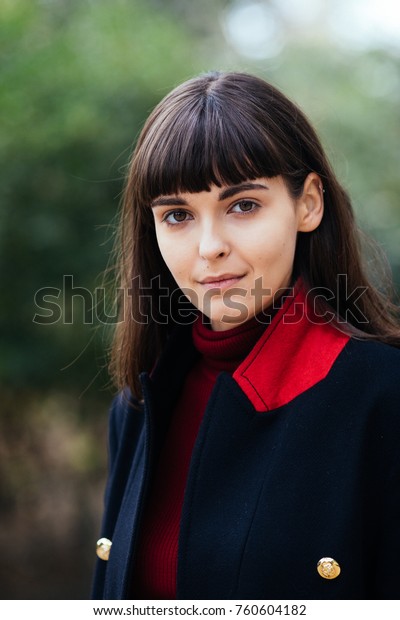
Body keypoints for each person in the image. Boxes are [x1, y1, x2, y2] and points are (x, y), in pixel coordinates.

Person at [92, 71, 400, 600]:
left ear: (308, 204)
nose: (209, 246)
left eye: (242, 205)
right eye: (177, 215)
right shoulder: (140, 402)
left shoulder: (383, 396)